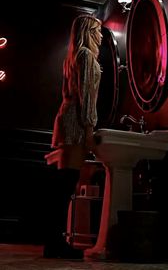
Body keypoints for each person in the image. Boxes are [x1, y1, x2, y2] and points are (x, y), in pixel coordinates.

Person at [43, 14, 103, 259]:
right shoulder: (86, 56)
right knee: (67, 184)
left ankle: (52, 241)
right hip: (76, 123)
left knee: (62, 185)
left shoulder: (73, 57)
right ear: (89, 32)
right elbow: (86, 97)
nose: (100, 36)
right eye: (98, 31)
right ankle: (55, 244)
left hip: (65, 120)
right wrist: (89, 129)